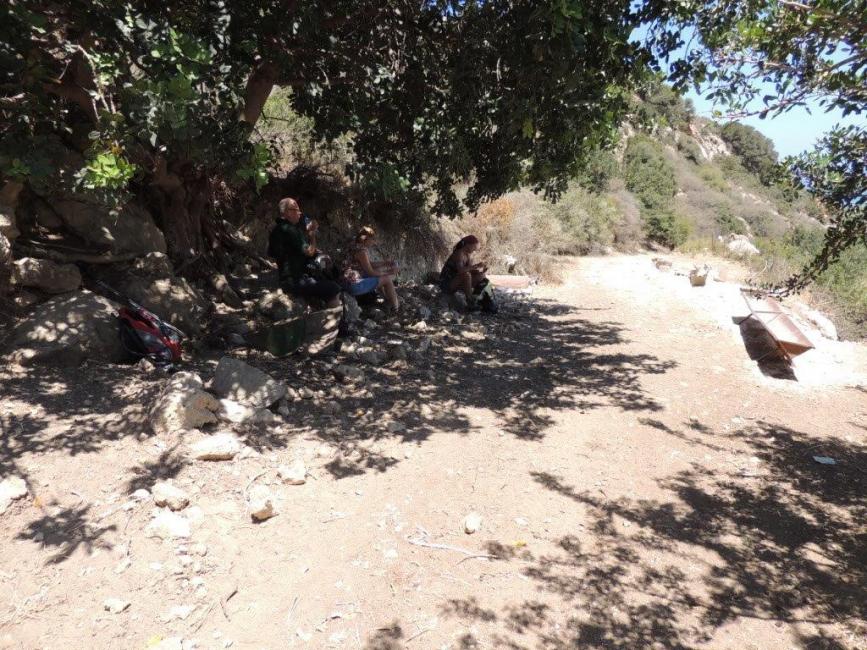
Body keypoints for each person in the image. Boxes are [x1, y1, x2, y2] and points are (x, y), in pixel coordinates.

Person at [267, 197, 341, 309]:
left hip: (285, 279)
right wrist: (312, 235)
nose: (299, 213)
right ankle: (336, 318)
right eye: (296, 210)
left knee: (323, 281)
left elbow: (273, 253)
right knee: (333, 288)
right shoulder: (291, 230)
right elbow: (310, 252)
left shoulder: (276, 230)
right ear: (287, 212)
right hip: (296, 280)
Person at [341, 226, 400, 311]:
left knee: (379, 272)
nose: (374, 242)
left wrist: (385, 263)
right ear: (365, 239)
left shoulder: (353, 244)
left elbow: (367, 264)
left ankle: (387, 299)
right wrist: (390, 272)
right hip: (352, 285)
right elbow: (370, 272)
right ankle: (396, 308)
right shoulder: (361, 252)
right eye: (372, 239)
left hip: (344, 280)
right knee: (386, 279)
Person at [440, 235, 497, 313]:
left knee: (481, 276)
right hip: (447, 283)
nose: (474, 250)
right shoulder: (459, 253)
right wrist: (476, 266)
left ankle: (478, 298)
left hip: (457, 281)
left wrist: (481, 271)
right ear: (468, 245)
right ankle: (470, 301)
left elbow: (470, 270)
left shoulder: (468, 255)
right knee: (466, 275)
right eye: (474, 248)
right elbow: (461, 271)